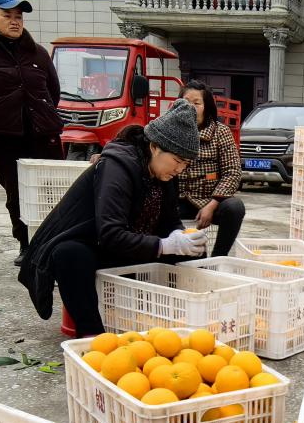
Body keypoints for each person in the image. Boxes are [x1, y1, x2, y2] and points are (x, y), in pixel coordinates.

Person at [17, 99, 207, 337]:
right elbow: (110, 234)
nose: (180, 169)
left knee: (193, 251)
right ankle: (93, 337)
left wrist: (178, 235)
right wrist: (163, 244)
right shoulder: (118, 167)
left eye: (186, 164)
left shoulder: (165, 173)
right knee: (69, 254)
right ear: (155, 147)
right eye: (178, 161)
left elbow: (169, 221)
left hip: (126, 244)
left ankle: (176, 323)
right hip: (95, 243)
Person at [0, 0, 63, 266]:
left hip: (43, 132)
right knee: (15, 192)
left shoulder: (38, 52)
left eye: (18, 16)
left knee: (51, 189)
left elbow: (53, 92)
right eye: (7, 16)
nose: (14, 21)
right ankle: (26, 243)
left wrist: (39, 113)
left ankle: (52, 242)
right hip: (5, 135)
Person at [175, 80, 244, 256]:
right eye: (186, 102)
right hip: (178, 199)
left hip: (210, 199)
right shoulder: (171, 130)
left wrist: (212, 205)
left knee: (234, 207)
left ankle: (218, 258)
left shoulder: (220, 132)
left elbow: (233, 172)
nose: (191, 107)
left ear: (207, 107)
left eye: (196, 103)